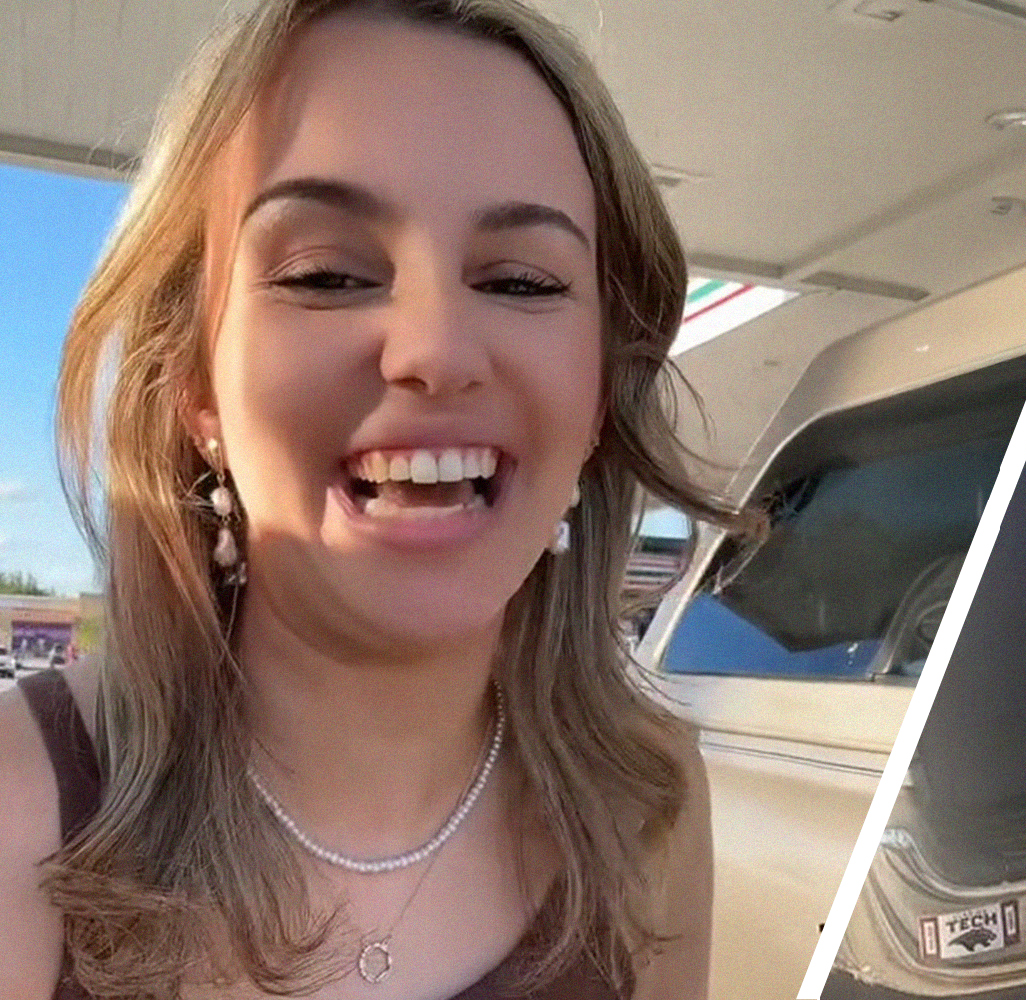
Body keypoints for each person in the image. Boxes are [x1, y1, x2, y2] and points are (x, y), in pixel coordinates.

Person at [0, 1, 743, 997]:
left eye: (521, 282)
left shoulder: (652, 801)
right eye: (327, 274)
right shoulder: (23, 804)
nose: (433, 349)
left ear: (599, 393)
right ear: (195, 388)